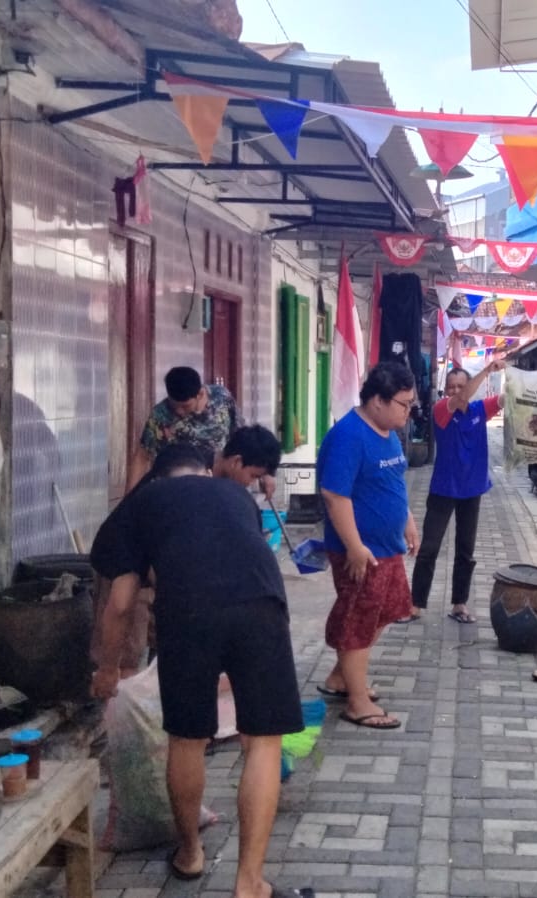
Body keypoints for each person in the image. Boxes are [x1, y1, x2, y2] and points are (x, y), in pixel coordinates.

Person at [90, 424, 303, 897]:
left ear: (157, 476)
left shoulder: (142, 503)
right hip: (263, 605)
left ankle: (189, 854)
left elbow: (121, 603)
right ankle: (250, 884)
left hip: (188, 612)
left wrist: (107, 668)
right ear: (204, 470)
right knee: (263, 742)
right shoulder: (234, 497)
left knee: (187, 738)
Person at [315, 361, 419, 729]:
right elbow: (334, 495)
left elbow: (392, 479)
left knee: (388, 610)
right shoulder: (348, 436)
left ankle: (341, 677)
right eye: (404, 404)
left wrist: (406, 519)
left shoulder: (388, 430)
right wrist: (356, 547)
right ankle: (357, 703)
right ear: (377, 400)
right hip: (361, 551)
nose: (409, 412)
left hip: (387, 545)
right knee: (359, 620)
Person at [89, 442, 215, 678]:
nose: (191, 494)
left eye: (196, 485)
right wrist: (108, 671)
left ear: (208, 475)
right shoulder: (133, 524)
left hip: (155, 573)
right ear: (160, 485)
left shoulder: (204, 500)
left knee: (170, 643)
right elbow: (120, 606)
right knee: (126, 656)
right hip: (119, 569)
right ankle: (118, 707)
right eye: (182, 488)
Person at [407, 354, 507, 624]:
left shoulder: (478, 411)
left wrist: (518, 378)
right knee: (429, 548)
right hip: (443, 489)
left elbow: (505, 400)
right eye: (451, 386)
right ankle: (416, 604)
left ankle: (459, 604)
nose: (455, 391)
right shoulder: (442, 410)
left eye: (460, 386)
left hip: (471, 490)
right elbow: (459, 400)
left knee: (466, 551)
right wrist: (487, 369)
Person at [130, 366, 274, 500]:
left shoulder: (222, 399)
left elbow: (243, 438)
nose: (179, 412)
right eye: (175, 406)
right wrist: (129, 500)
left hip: (224, 483)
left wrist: (264, 472)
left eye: (185, 406)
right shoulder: (160, 415)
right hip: (182, 489)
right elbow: (142, 456)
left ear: (200, 393)